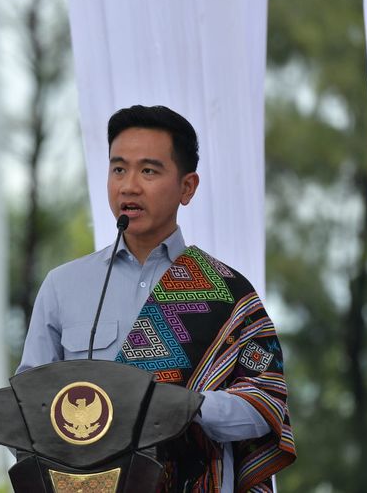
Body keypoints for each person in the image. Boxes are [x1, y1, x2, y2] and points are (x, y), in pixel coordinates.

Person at [17, 105, 296, 492]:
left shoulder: (229, 292)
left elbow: (266, 405)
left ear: (187, 187)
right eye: (118, 169)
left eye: (148, 171)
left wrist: (188, 406)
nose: (129, 186)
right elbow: (27, 407)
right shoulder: (63, 286)